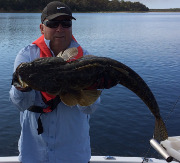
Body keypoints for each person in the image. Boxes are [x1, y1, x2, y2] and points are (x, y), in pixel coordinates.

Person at [9, 1, 100, 163]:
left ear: (71, 27)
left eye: (66, 23)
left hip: (73, 153)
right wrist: (21, 86)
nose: (60, 29)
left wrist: (89, 85)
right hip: (33, 151)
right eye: (53, 23)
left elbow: (90, 108)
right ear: (42, 28)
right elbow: (19, 105)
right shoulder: (27, 56)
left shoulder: (87, 60)